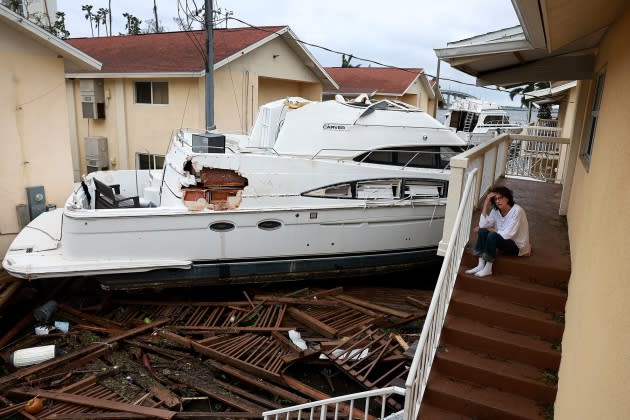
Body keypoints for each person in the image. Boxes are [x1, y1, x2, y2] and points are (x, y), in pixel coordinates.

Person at [465, 186, 531, 277]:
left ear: (507, 198)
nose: (497, 201)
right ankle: (480, 265)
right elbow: (483, 225)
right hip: (503, 242)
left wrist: (493, 230)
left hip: (516, 246)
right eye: (495, 199)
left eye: (500, 198)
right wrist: (486, 202)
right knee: (483, 231)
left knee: (492, 235)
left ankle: (488, 268)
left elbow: (508, 234)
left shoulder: (517, 211)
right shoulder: (495, 211)